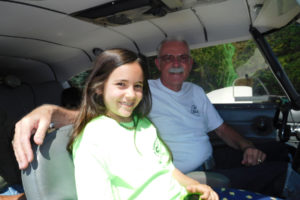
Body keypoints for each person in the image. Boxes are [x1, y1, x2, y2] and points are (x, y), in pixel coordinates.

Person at [12, 38, 299, 199]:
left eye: (183, 57)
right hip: (191, 174)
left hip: (190, 178)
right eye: (169, 58)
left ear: (190, 62)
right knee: (277, 174)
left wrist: (247, 145)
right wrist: (49, 111)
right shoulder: (119, 118)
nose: (131, 94)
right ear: (159, 63)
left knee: (281, 150)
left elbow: (221, 130)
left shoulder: (157, 113)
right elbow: (97, 116)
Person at [67, 48, 218, 199]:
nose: (131, 94)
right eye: (121, 84)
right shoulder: (94, 137)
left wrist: (195, 185)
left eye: (137, 86)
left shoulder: (144, 124)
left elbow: (167, 168)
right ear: (99, 87)